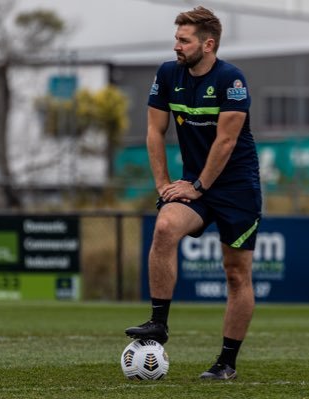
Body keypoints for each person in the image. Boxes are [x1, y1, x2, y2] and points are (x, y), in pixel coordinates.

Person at [125, 6, 261, 380]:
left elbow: (227, 140)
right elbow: (154, 131)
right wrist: (163, 184)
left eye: (184, 40)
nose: (176, 46)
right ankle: (158, 323)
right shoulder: (168, 74)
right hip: (193, 185)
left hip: (236, 189)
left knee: (236, 274)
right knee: (166, 226)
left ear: (208, 43)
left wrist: (198, 185)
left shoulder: (232, 79)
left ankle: (226, 363)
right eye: (176, 39)